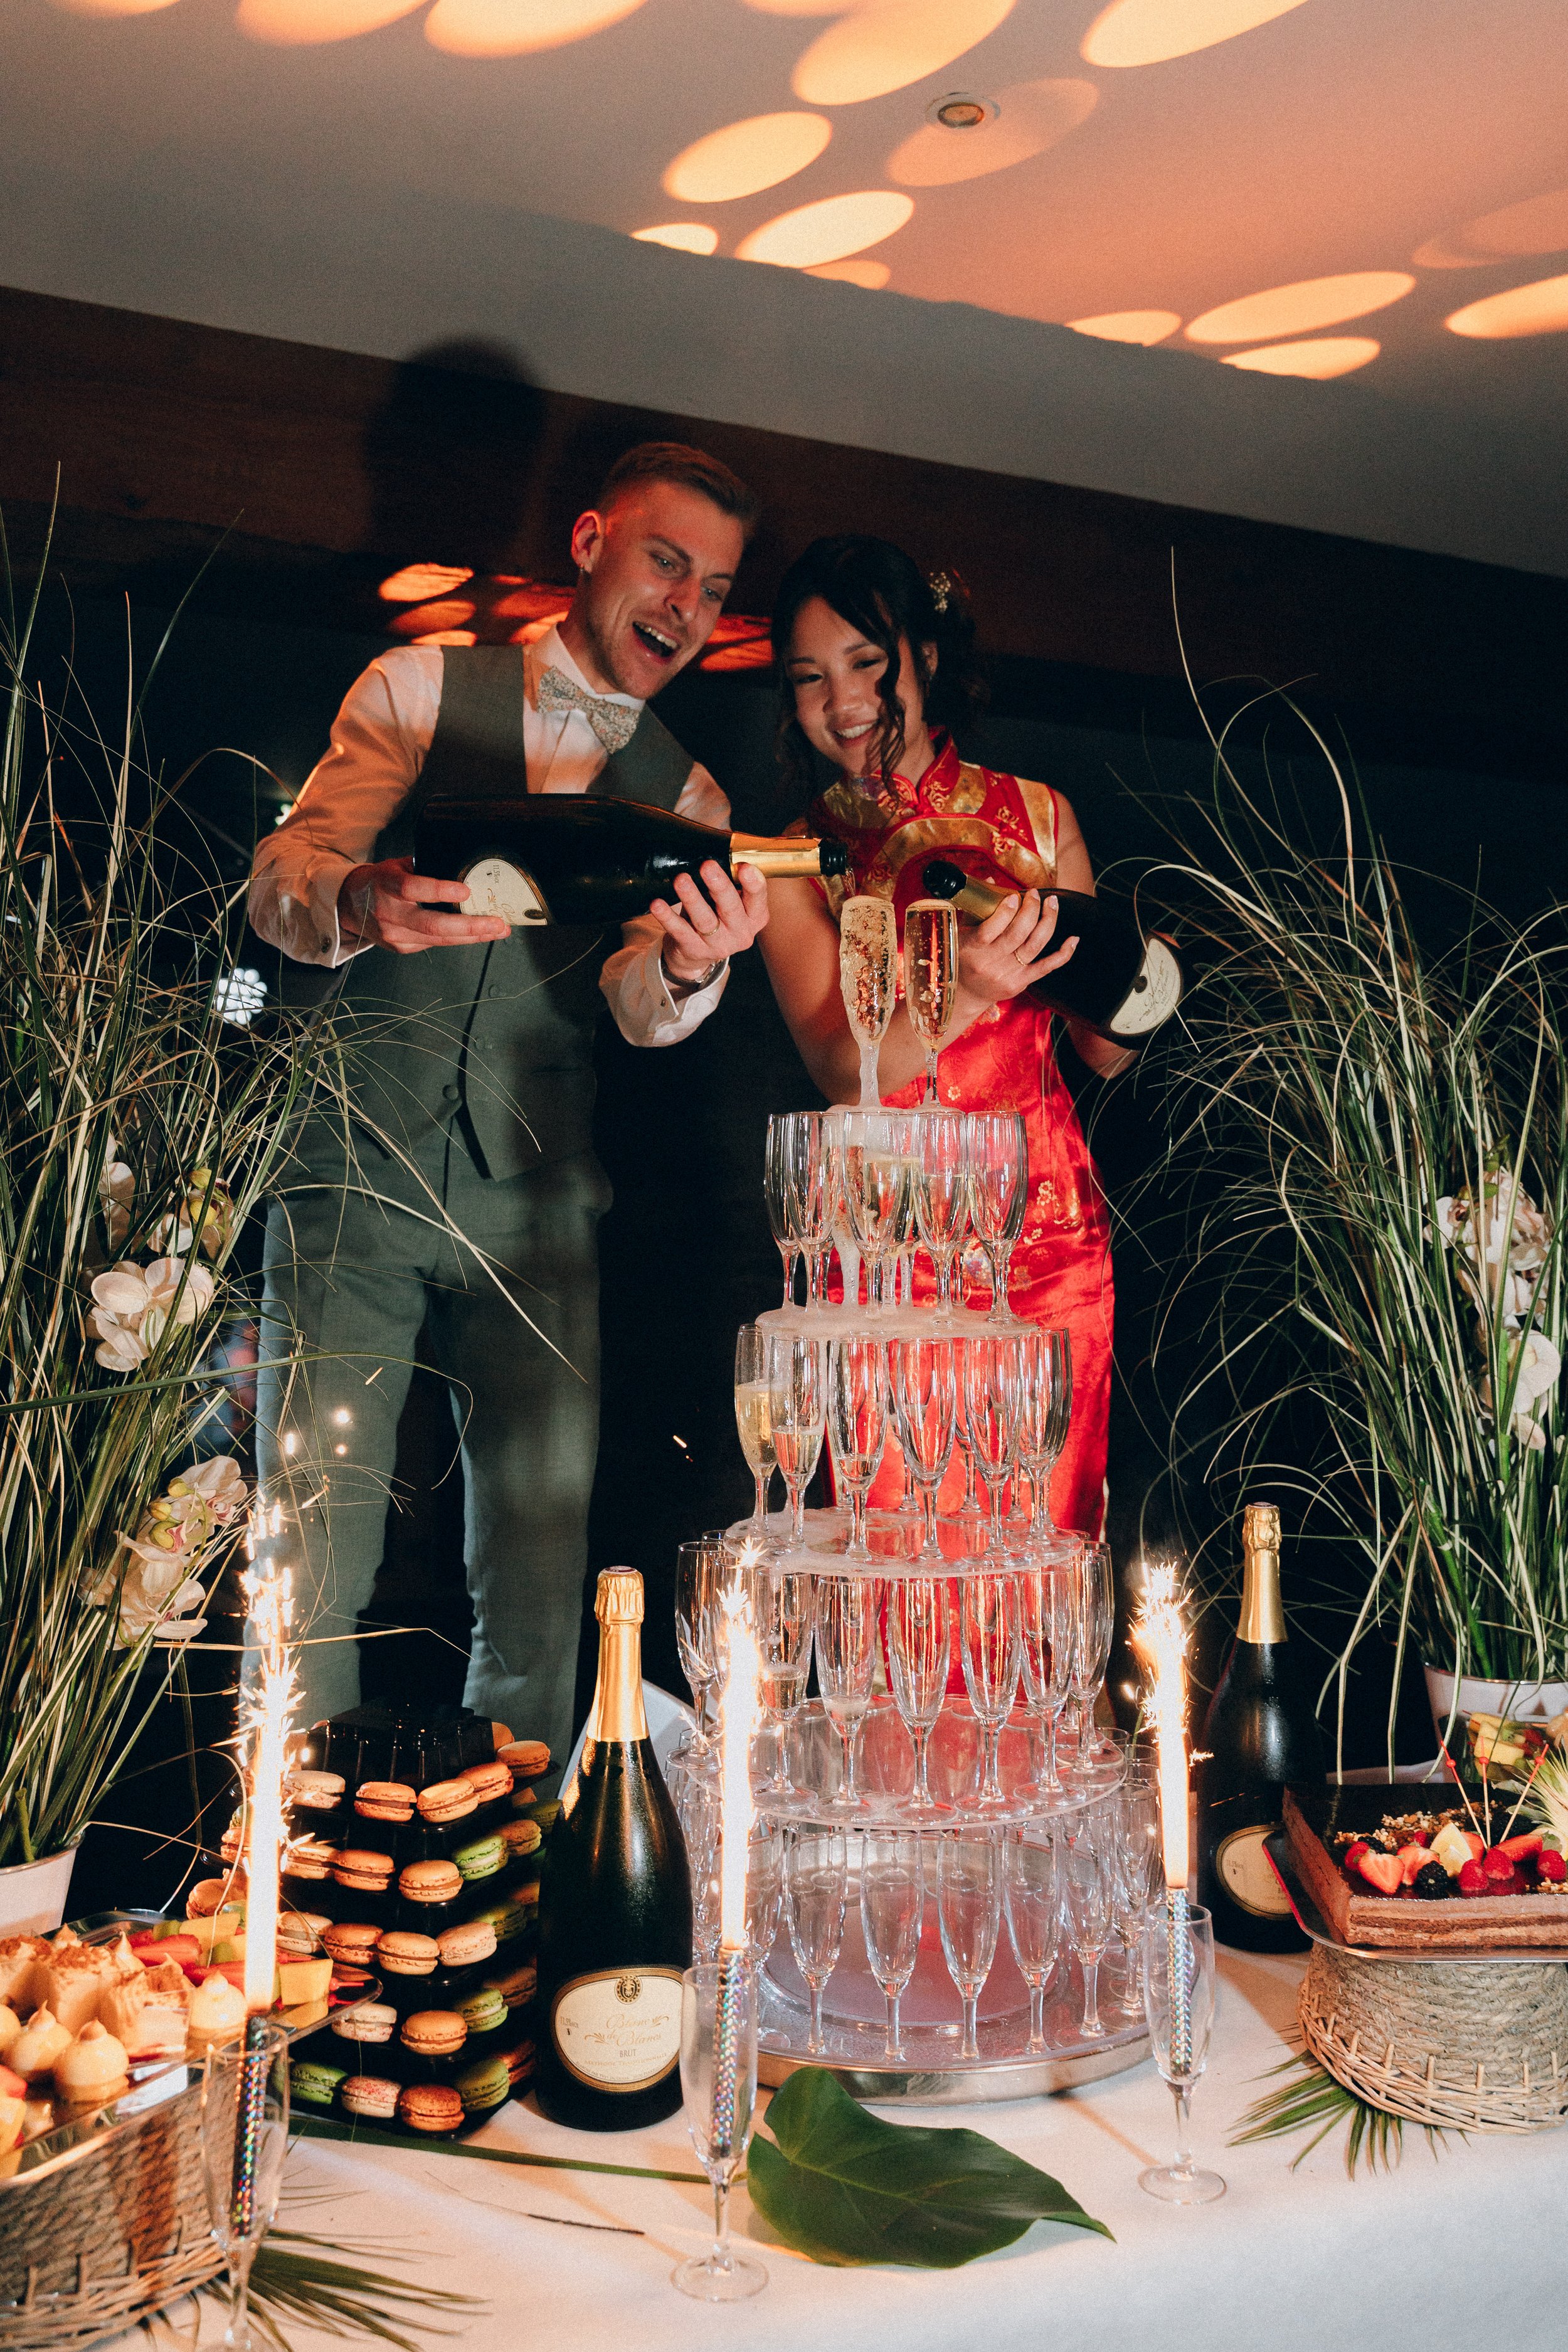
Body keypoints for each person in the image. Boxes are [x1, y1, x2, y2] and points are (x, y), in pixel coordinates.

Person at [248, 442, 768, 1759]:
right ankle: (282, 1892)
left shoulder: (690, 795)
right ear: (591, 541)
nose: (684, 608)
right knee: (309, 1557)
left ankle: (520, 1899)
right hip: (352, 1168)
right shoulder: (418, 686)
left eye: (712, 589)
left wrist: (697, 960)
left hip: (537, 1204)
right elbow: (285, 871)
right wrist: (358, 899)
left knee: (541, 1587)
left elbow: (643, 1003)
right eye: (665, 562)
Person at [757, 535, 1126, 1536]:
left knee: (1036, 1570)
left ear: (923, 656)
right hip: (882, 1253)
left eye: (867, 664)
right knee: (894, 1578)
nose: (841, 703)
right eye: (809, 680)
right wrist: (961, 991)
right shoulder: (790, 861)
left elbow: (1101, 1047)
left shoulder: (1043, 818)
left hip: (1045, 1245)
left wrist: (1141, 985)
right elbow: (843, 1070)